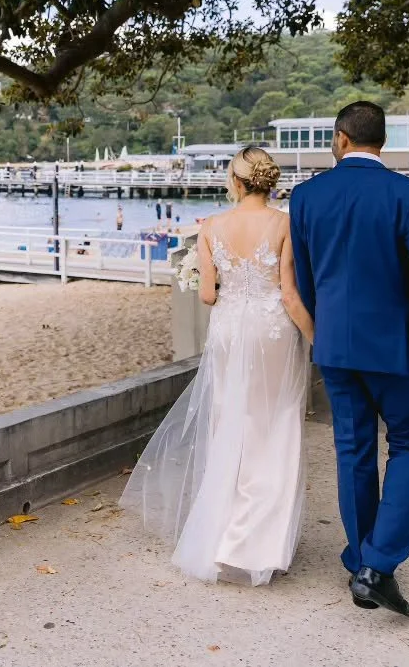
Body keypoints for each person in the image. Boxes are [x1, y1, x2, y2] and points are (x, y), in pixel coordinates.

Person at [289, 101, 409, 617]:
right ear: (381, 140)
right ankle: (377, 566)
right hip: (400, 347)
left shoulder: (306, 196)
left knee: (353, 449)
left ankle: (363, 556)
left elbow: (307, 278)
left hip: (337, 346)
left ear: (340, 138)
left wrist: (324, 329)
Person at [121, 147, 314, 586]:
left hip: (229, 329)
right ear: (268, 181)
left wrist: (229, 278)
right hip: (271, 331)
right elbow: (289, 294)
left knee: (230, 422)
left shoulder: (212, 227)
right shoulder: (285, 223)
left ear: (236, 181)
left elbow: (207, 296)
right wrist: (317, 338)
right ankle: (258, 544)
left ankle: (219, 536)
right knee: (274, 425)